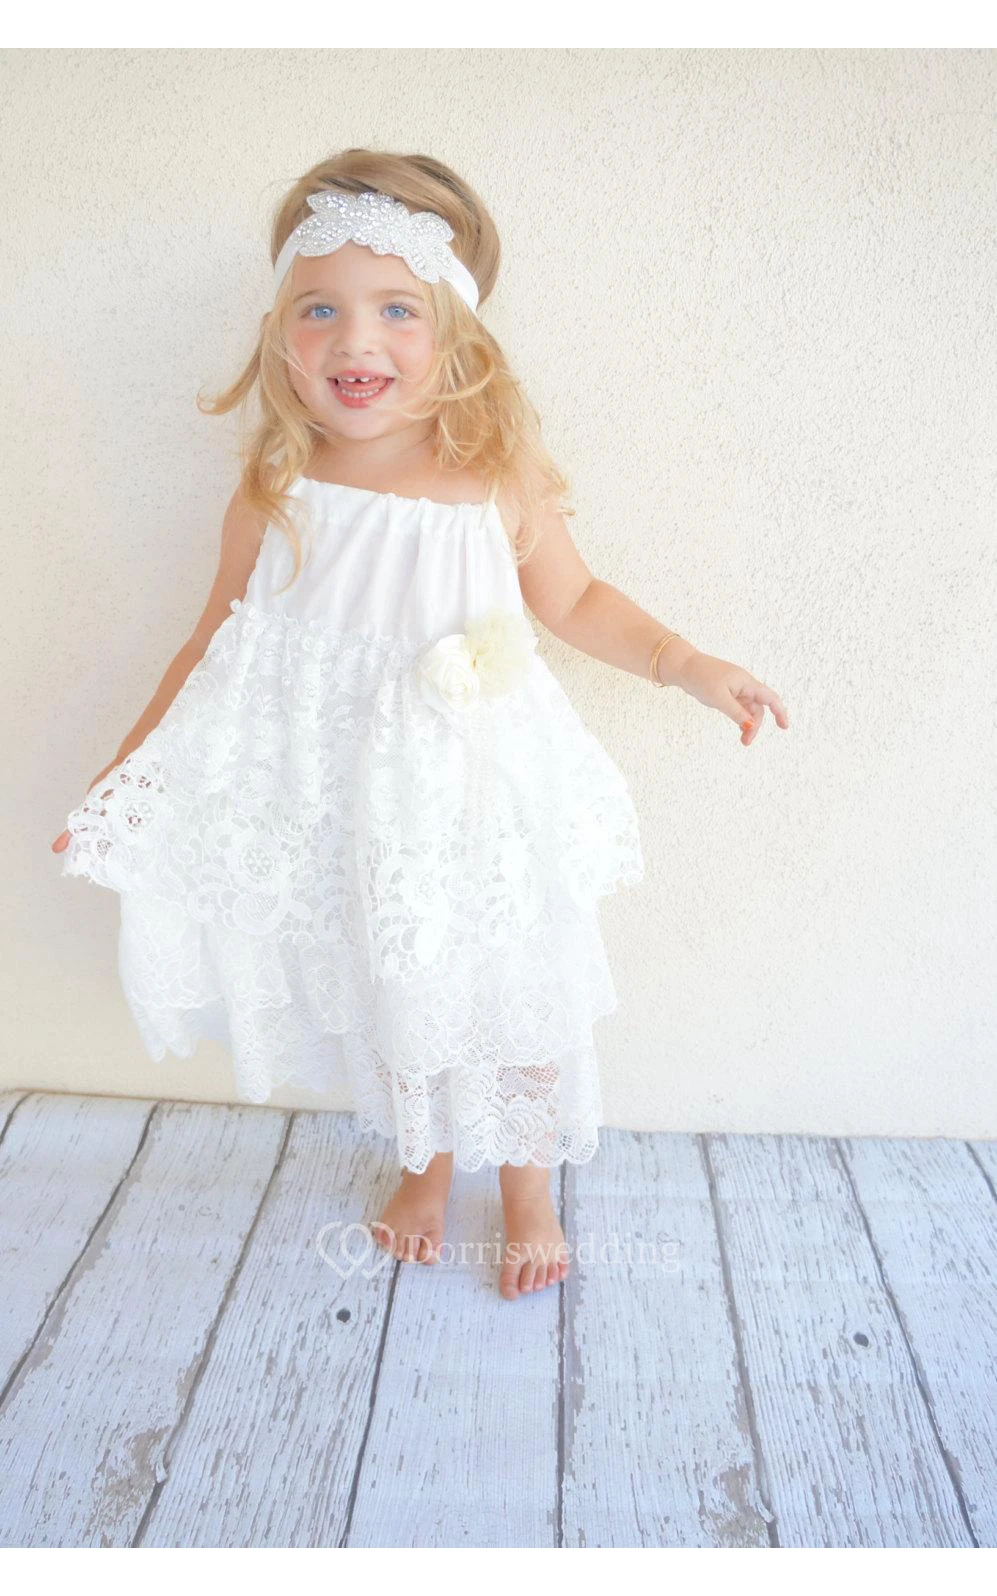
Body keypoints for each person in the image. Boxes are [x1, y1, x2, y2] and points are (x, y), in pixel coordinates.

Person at [52, 150, 789, 1303]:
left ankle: (530, 1191)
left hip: (483, 800)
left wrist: (686, 665)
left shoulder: (494, 477)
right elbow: (210, 647)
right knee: (394, 989)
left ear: (456, 337)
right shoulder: (276, 490)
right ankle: (424, 1169)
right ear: (279, 336)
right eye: (320, 309)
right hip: (352, 806)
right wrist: (127, 781)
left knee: (512, 991)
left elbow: (576, 602)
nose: (356, 339)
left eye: (397, 309)